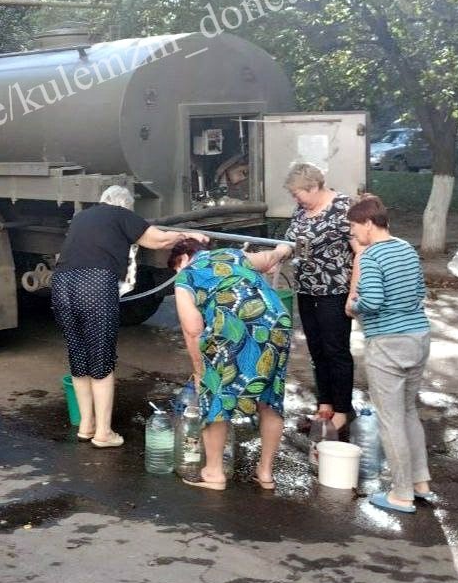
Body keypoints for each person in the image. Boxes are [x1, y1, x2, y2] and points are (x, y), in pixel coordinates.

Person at [51, 185, 208, 449]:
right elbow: (157, 240)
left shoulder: (84, 217)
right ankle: (103, 433)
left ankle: (86, 425)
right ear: (124, 205)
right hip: (94, 283)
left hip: (62, 283)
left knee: (78, 355)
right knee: (101, 357)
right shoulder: (120, 214)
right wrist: (188, 235)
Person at [168, 239, 292, 490]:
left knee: (214, 394)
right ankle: (265, 473)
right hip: (277, 319)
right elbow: (267, 261)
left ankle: (213, 473)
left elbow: (193, 331)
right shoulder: (232, 253)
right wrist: (283, 249)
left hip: (235, 325)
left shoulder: (185, 277)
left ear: (182, 259)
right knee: (269, 397)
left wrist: (199, 370)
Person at [347, 195, 432, 514]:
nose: (354, 234)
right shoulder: (406, 248)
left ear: (369, 223)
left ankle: (401, 493)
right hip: (419, 337)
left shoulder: (371, 256)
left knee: (390, 419)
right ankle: (420, 481)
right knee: (409, 411)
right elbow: (419, 291)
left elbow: (372, 301)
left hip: (388, 342)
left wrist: (354, 304)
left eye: (355, 227)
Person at [279, 162, 359, 435]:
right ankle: (324, 403)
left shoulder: (344, 207)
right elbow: (291, 242)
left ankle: (343, 410)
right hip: (306, 288)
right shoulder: (302, 209)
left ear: (313, 187)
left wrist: (354, 292)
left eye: (297, 193)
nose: (295, 198)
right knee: (316, 349)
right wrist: (274, 256)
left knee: (335, 350)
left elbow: (360, 252)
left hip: (334, 291)